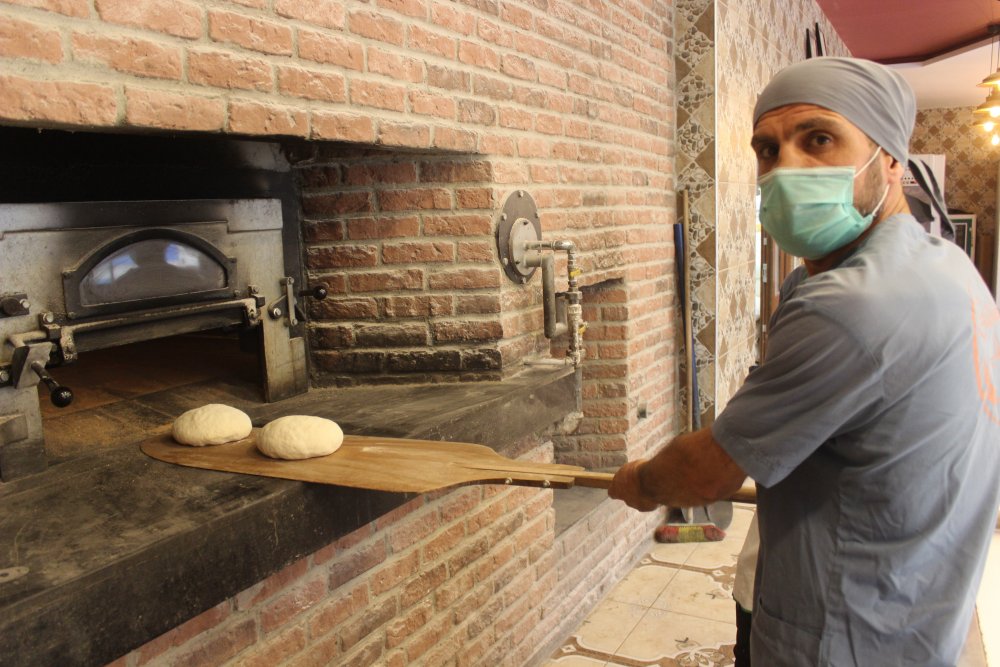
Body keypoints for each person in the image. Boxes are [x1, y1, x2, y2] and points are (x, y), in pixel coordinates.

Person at [609, 57, 1000, 667]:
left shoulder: (852, 306)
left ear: (890, 158)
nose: (787, 168)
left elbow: (707, 475)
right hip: (917, 606)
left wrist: (639, 480)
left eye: (819, 139)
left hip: (846, 632)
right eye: (768, 149)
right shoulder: (947, 266)